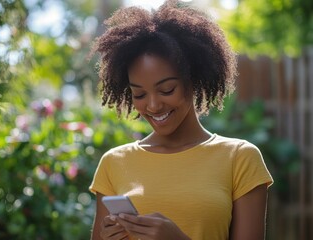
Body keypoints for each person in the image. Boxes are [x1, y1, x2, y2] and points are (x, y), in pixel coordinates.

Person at [89, 0, 273, 239]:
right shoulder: (114, 163)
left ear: (193, 80)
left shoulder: (239, 158)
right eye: (140, 94)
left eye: (166, 90)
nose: (153, 105)